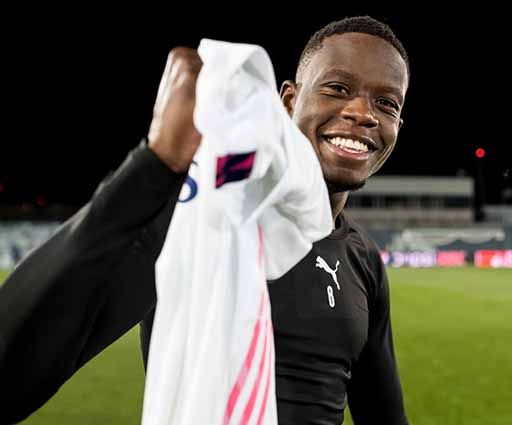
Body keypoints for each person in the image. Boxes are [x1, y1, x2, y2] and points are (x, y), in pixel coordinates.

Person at [0, 16, 410, 425]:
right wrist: (154, 163)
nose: (362, 113)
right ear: (288, 101)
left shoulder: (363, 259)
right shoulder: (199, 223)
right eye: (338, 89)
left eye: (386, 103)